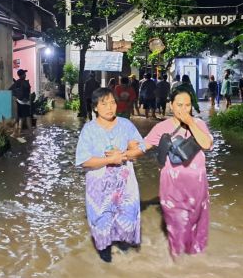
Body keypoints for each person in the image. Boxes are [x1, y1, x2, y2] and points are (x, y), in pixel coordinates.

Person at [75, 88, 146, 263]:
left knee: (126, 213)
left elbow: (140, 148)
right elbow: (84, 160)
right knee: (101, 217)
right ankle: (104, 248)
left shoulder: (126, 125)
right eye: (104, 103)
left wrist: (123, 155)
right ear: (95, 107)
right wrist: (109, 160)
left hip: (125, 183)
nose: (109, 107)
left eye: (113, 102)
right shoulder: (89, 129)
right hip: (99, 184)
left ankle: (122, 242)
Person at [144, 89, 213, 257]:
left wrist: (190, 122)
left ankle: (194, 265)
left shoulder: (199, 124)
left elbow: (206, 145)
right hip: (172, 187)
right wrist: (122, 153)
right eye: (179, 105)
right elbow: (142, 146)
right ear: (171, 105)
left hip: (197, 186)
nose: (184, 109)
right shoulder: (162, 127)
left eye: (188, 105)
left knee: (196, 228)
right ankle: (176, 264)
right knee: (177, 227)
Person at [9, 69, 32, 136]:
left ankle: (19, 132)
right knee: (27, 117)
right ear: (21, 75)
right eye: (24, 74)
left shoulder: (17, 82)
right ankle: (30, 132)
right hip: (26, 102)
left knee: (21, 117)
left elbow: (10, 89)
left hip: (20, 102)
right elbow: (29, 93)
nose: (25, 75)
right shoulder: (26, 82)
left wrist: (16, 95)